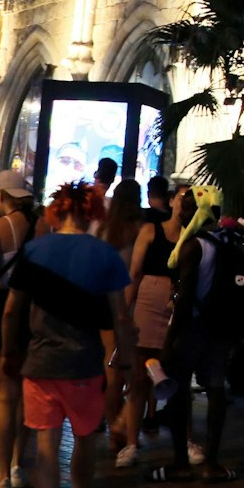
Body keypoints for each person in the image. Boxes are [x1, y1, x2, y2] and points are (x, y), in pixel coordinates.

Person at [3, 181, 135, 488]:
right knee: (84, 438)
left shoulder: (34, 250)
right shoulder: (105, 254)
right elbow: (120, 317)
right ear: (92, 212)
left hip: (41, 362)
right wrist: (125, 362)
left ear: (56, 211)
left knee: (46, 445)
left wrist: (10, 352)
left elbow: (12, 310)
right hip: (84, 364)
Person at [160, 196, 244, 484]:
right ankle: (211, 464)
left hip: (194, 327)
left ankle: (180, 463)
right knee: (215, 390)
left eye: (188, 209)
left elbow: (185, 298)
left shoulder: (193, 246)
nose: (182, 214)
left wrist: (170, 341)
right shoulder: (224, 243)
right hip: (220, 327)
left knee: (179, 391)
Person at [128, 185, 194, 475]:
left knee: (179, 375)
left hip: (178, 308)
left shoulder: (194, 238)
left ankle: (187, 441)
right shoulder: (150, 230)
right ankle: (131, 443)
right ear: (170, 200)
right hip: (148, 303)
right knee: (139, 377)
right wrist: (125, 311)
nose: (184, 203)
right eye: (181, 197)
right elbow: (134, 272)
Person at [0, 169, 37, 488]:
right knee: (27, 395)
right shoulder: (42, 227)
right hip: (34, 312)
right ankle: (19, 464)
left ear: (2, 195)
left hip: (1, 310)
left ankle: (2, 475)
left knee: (5, 398)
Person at [97, 177, 148, 461]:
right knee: (137, 372)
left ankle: (112, 426)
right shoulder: (139, 229)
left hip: (104, 302)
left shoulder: (104, 228)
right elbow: (137, 271)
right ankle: (122, 423)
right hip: (131, 303)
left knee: (111, 370)